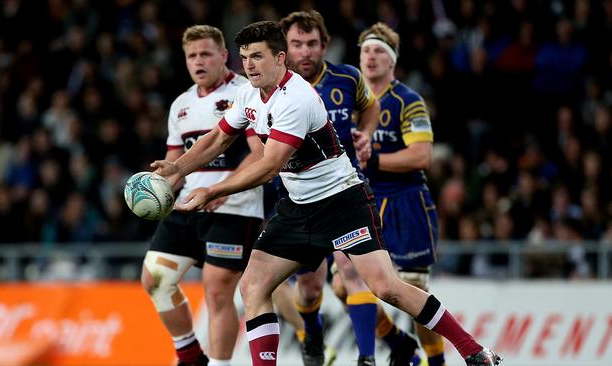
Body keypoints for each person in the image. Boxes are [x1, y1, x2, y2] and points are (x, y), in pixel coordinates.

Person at [151, 20, 502, 366]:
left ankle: (473, 350)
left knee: (386, 287)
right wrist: (178, 168)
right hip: (298, 206)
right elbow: (219, 137)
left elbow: (270, 165)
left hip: (341, 202)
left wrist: (213, 189)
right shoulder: (248, 94)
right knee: (253, 285)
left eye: (258, 56)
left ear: (280, 58)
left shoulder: (297, 97)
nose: (249, 65)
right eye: (244, 58)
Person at [140, 25, 264, 366]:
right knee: (155, 279)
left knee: (217, 290)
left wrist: (224, 188)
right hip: (189, 205)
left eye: (206, 53)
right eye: (192, 55)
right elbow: (174, 164)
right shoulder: (180, 105)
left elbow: (261, 153)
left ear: (224, 56)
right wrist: (154, 185)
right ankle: (190, 354)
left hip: (235, 207)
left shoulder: (245, 92)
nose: (199, 61)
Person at [280, 10, 383, 365]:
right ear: (285, 49)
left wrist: (365, 134)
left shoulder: (347, 78)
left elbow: (371, 108)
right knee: (309, 288)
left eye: (312, 44)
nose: (305, 52)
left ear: (325, 45)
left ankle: (366, 357)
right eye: (297, 44)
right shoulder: (274, 89)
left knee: (353, 270)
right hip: (300, 200)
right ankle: (312, 335)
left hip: (344, 193)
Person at [352, 22, 448, 366]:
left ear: (392, 61)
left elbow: (421, 156)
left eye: (379, 51)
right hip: (363, 202)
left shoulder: (408, 101)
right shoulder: (350, 99)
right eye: (366, 51)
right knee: (345, 285)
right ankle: (399, 344)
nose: (371, 57)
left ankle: (436, 361)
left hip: (406, 202)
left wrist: (373, 157)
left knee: (413, 290)